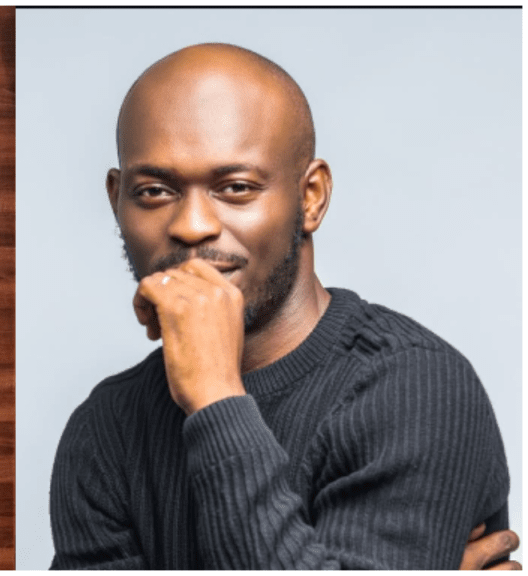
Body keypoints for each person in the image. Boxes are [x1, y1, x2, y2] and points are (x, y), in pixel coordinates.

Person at [49, 43, 517, 570]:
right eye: (155, 191)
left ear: (311, 196)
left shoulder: (417, 387)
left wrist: (214, 398)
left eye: (236, 188)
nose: (191, 225)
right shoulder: (106, 428)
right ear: (117, 200)